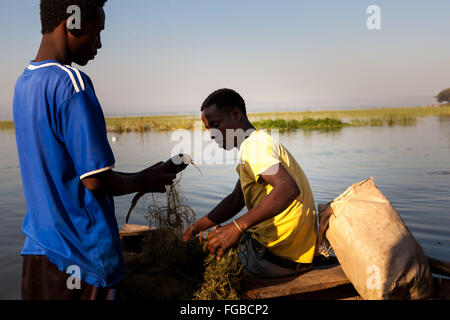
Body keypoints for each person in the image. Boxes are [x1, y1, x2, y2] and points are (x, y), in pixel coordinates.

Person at [13, 0, 176, 300]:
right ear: (72, 23)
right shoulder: (72, 84)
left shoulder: (24, 83)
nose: (99, 43)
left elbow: (70, 172)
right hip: (81, 258)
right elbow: (95, 180)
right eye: (97, 32)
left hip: (38, 251)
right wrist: (144, 180)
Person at [183, 89, 317, 278]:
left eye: (216, 125)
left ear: (236, 114)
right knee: (214, 237)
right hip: (294, 255)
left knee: (198, 263)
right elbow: (237, 198)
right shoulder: (256, 143)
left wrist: (237, 227)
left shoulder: (254, 147)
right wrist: (197, 227)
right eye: (209, 129)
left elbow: (287, 188)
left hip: (276, 257)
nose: (212, 135)